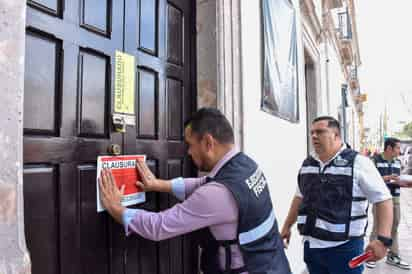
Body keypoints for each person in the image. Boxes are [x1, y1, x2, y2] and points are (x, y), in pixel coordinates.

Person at [99, 108, 291, 274]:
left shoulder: (217, 195)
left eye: (190, 145)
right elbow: (204, 183)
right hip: (274, 264)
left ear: (208, 143)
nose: (188, 152)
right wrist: (159, 184)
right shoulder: (246, 165)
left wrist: (117, 209)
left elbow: (159, 226)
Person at [280, 116, 393, 274]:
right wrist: (286, 226)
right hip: (312, 248)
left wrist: (383, 240)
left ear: (336, 135)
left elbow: (383, 200)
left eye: (320, 132)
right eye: (312, 132)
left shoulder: (358, 163)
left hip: (345, 249)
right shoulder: (308, 164)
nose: (313, 136)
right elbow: (300, 196)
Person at [366, 137, 411, 270]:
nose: (400, 151)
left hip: (395, 199)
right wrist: (388, 178)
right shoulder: (375, 160)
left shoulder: (397, 162)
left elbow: (397, 181)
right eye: (398, 148)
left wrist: (403, 183)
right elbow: (370, 179)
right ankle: (371, 255)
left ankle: (393, 255)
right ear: (389, 148)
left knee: (394, 227)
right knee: (377, 227)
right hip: (380, 201)